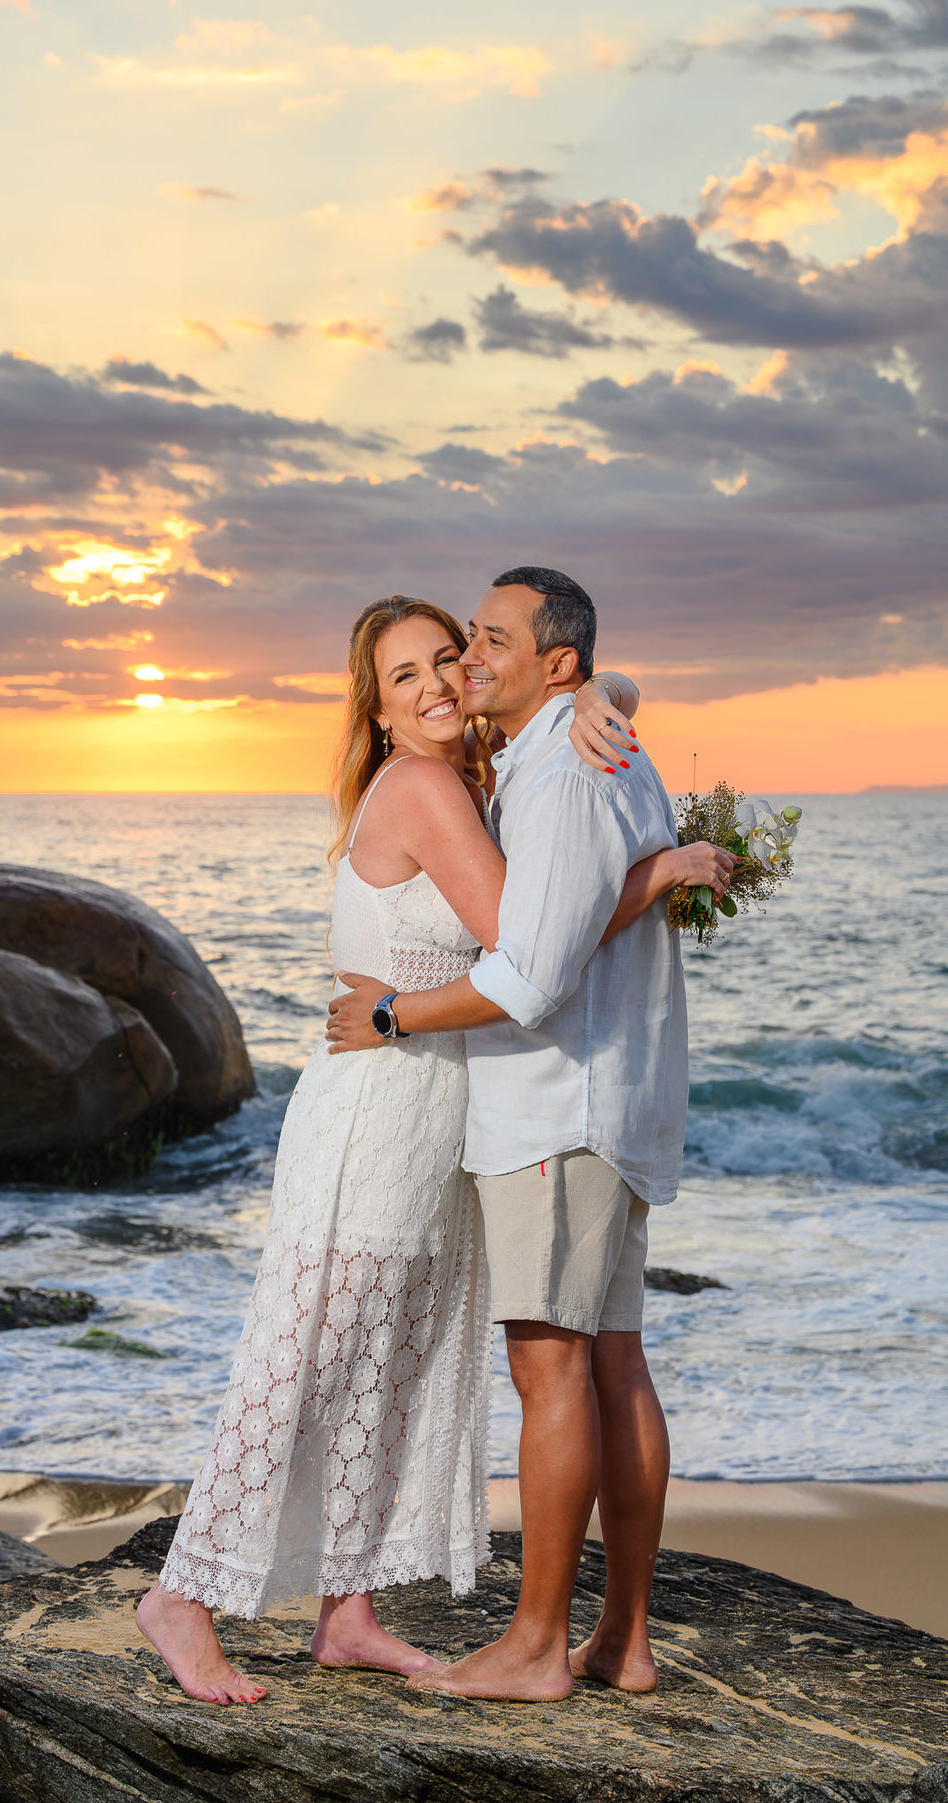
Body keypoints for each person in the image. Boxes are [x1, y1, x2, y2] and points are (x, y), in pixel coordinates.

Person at [138, 593, 730, 1706]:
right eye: (403, 676)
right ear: (378, 709)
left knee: (389, 1362)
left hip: (437, 1112)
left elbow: (567, 733)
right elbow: (531, 946)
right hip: (376, 1110)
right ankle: (182, 1597)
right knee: (308, 1359)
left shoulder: (481, 780)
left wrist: (607, 690)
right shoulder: (419, 787)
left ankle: (347, 1609)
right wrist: (660, 871)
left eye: (447, 660)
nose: (436, 686)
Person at [328, 568, 730, 1703]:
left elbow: (531, 977)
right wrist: (652, 862)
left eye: (488, 641)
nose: (468, 662)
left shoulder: (558, 772)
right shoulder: (599, 747)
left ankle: (538, 1646)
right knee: (611, 1361)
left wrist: (395, 1012)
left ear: (556, 664)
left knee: (550, 1366)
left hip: (557, 1107)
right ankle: (624, 1642)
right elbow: (572, 926)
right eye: (461, 647)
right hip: (617, 1100)